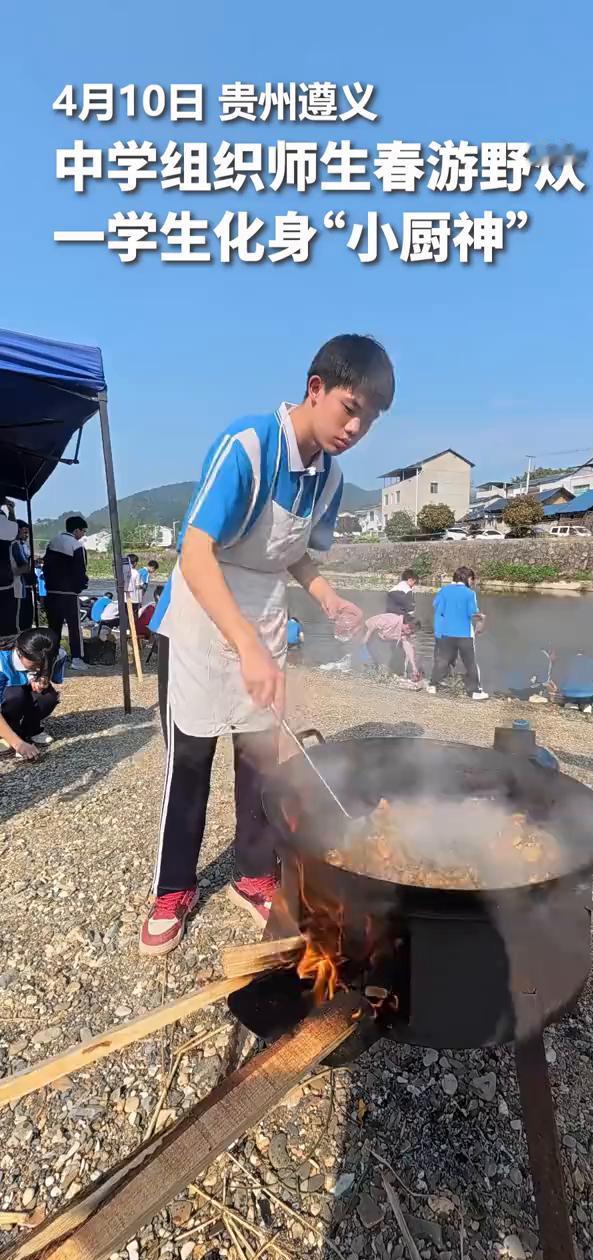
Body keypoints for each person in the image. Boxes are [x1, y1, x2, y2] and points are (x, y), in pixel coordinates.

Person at [141, 333, 395, 956]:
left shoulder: (329, 478)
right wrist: (245, 646)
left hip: (266, 610)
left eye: (370, 418)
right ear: (316, 389)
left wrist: (328, 597)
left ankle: (252, 874)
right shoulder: (250, 446)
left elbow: (296, 556)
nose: (355, 427)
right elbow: (195, 552)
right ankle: (173, 887)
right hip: (204, 611)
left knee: (260, 756)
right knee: (192, 758)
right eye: (350, 407)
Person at [428, 567, 489, 700]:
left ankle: (432, 685)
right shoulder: (469, 594)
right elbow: (472, 613)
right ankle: (475, 692)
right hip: (464, 634)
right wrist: (481, 617)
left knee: (442, 660)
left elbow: (437, 606)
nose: (472, 582)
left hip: (446, 632)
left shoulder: (444, 590)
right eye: (472, 579)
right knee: (470, 662)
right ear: (467, 578)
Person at [0, 628, 60, 760]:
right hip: (7, 700)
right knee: (15, 695)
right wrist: (18, 744)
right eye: (35, 665)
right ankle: (11, 735)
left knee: (48, 697)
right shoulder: (1, 662)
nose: (39, 668)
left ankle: (31, 730)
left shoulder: (43, 653)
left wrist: (43, 677)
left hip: (20, 693)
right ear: (20, 652)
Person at [44, 515, 89, 671]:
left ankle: (52, 657)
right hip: (69, 593)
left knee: (53, 627)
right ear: (76, 530)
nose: (83, 535)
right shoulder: (76, 546)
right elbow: (80, 571)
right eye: (83, 531)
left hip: (51, 592)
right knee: (74, 627)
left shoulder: (52, 542)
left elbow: (45, 567)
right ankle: (77, 658)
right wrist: (81, 586)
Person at [364, 612, 420, 679]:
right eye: (411, 629)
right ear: (408, 624)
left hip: (382, 639)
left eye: (413, 632)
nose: (411, 633)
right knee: (372, 659)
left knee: (384, 664)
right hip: (368, 632)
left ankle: (379, 674)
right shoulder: (392, 620)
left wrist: (414, 666)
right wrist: (365, 640)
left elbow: (408, 648)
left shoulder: (405, 632)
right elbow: (373, 625)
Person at [0, 497, 19, 639]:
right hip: (4, 579)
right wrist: (11, 511)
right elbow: (12, 533)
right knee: (7, 620)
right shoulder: (1, 517)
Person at [11, 521, 34, 632]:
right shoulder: (15, 545)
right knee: (22, 619)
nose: (26, 535)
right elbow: (24, 566)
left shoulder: (20, 545)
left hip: (22, 586)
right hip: (18, 587)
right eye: (24, 532)